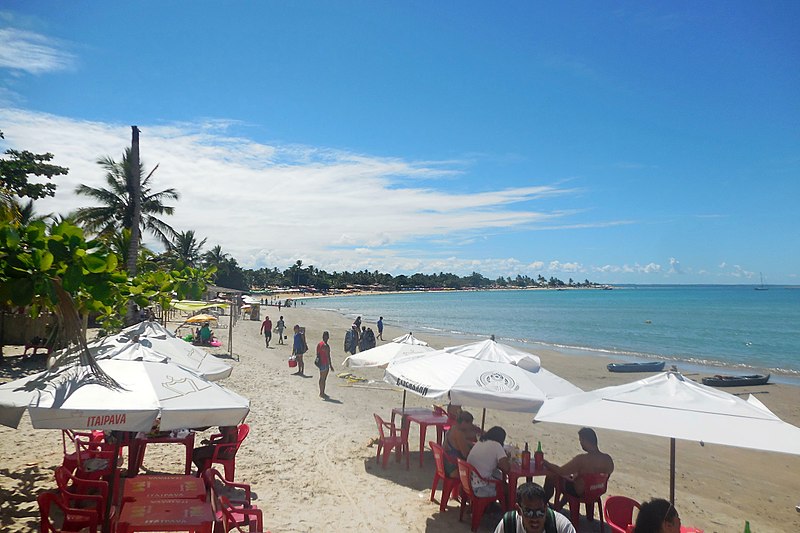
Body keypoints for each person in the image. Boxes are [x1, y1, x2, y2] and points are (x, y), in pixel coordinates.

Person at [543, 427, 614, 505]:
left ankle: (543, 503)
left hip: (581, 492)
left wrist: (545, 462)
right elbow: (604, 473)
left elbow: (561, 471)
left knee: (552, 476)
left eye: (581, 441)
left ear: (585, 441)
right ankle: (560, 505)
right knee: (572, 479)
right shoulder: (608, 459)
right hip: (597, 491)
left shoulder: (582, 459)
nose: (581, 444)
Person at [494, 482, 576, 533]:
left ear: (546, 508)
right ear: (519, 510)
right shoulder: (509, 524)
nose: (535, 518)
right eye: (529, 512)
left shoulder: (561, 526)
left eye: (540, 512)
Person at [466, 426, 510, 498]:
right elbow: (506, 468)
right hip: (480, 487)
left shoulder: (480, 442)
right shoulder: (497, 445)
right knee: (507, 488)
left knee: (498, 475)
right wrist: (507, 458)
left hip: (469, 482)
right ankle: (507, 507)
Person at [443, 410, 477, 477]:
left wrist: (470, 444)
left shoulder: (453, 428)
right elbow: (465, 455)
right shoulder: (459, 434)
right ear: (464, 422)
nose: (471, 426)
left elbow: (456, 443)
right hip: (454, 468)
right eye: (470, 423)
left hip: (446, 463)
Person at [315, 331, 334, 398]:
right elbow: (328, 356)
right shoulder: (326, 346)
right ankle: (322, 393)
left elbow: (317, 353)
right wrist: (331, 365)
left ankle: (321, 392)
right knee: (323, 379)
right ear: (328, 337)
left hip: (320, 363)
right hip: (325, 363)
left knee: (321, 378)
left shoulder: (319, 344)